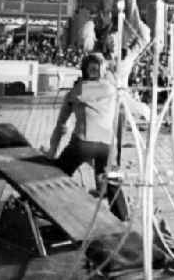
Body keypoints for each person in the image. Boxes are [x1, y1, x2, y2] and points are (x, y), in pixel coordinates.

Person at [46, 53, 149, 221]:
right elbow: (126, 112)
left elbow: (61, 126)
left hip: (82, 144)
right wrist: (148, 113)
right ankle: (123, 219)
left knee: (58, 176)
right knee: (112, 183)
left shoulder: (75, 91)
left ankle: (51, 210)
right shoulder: (111, 89)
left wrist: (52, 151)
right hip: (107, 146)